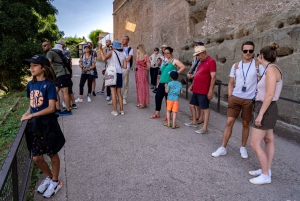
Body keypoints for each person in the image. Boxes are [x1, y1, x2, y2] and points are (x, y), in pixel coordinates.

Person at [21, 54, 65, 198]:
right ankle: (49, 176)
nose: (31, 68)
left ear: (43, 68)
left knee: (52, 153)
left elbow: (52, 108)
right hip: (35, 126)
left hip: (48, 125)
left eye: (34, 65)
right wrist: (27, 113)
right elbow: (32, 104)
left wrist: (32, 115)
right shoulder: (30, 84)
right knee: (37, 158)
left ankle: (55, 180)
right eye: (30, 65)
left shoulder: (50, 85)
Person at [211, 41, 264, 158]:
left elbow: (261, 82)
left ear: (253, 51)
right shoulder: (236, 65)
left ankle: (243, 147)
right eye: (245, 51)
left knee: (246, 123)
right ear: (242, 52)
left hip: (249, 100)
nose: (248, 53)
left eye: (250, 51)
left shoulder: (257, 66)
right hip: (235, 98)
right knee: (229, 122)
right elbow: (231, 82)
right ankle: (223, 147)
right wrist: (230, 96)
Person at [249, 42, 282, 185]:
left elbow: (269, 95)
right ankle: (266, 169)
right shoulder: (270, 69)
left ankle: (265, 174)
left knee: (254, 143)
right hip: (267, 107)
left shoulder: (270, 70)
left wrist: (261, 114)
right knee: (268, 140)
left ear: (261, 56)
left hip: (265, 107)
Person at [150, 47, 185, 119]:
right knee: (158, 97)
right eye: (165, 53)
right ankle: (157, 113)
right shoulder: (165, 61)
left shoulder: (174, 61)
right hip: (162, 82)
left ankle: (169, 115)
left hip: (169, 83)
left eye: (167, 53)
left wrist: (176, 73)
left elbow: (183, 67)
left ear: (171, 53)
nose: (166, 54)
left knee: (168, 99)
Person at [190, 45, 216, 134]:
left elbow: (213, 77)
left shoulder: (211, 61)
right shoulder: (201, 61)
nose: (197, 57)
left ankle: (205, 128)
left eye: (198, 55)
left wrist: (210, 90)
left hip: (204, 88)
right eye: (197, 55)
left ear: (204, 53)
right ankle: (194, 121)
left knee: (205, 108)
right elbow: (198, 74)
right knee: (191, 104)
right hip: (196, 87)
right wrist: (192, 84)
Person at [43, 42, 72, 116]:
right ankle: (58, 109)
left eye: (45, 45)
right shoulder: (56, 52)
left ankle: (68, 110)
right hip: (61, 74)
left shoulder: (50, 52)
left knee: (64, 92)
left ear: (50, 46)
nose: (43, 47)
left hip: (61, 74)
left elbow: (48, 64)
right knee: (55, 91)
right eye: (42, 46)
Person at [99, 40, 126, 116]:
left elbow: (104, 58)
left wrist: (101, 50)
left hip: (112, 73)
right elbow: (125, 66)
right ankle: (122, 110)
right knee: (119, 93)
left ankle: (115, 111)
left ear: (114, 46)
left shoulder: (112, 52)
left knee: (113, 92)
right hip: (119, 73)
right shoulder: (123, 55)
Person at [185, 42, 205, 128]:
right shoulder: (196, 58)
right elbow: (193, 67)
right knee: (196, 101)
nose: (195, 48)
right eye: (195, 46)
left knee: (201, 102)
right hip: (195, 79)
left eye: (197, 46)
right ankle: (197, 116)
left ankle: (201, 117)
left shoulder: (203, 58)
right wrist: (189, 73)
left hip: (200, 80)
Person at [56, 40, 77, 110]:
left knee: (68, 90)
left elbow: (69, 63)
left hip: (65, 73)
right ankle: (66, 103)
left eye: (59, 44)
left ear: (62, 45)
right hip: (65, 73)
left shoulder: (64, 52)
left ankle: (72, 104)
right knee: (65, 90)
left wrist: (70, 72)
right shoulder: (60, 52)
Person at [135, 44, 150, 108]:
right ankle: (141, 102)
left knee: (142, 87)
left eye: (138, 48)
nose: (137, 49)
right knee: (139, 87)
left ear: (140, 49)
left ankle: (143, 103)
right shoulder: (138, 56)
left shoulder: (145, 56)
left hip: (142, 73)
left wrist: (143, 69)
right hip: (137, 73)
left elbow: (148, 66)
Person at [122, 35, 134, 105]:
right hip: (119, 68)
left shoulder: (130, 49)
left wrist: (121, 58)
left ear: (127, 41)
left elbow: (128, 59)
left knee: (125, 83)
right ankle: (118, 97)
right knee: (118, 83)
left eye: (124, 39)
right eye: (122, 39)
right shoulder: (119, 48)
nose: (122, 40)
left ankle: (124, 98)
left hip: (126, 68)